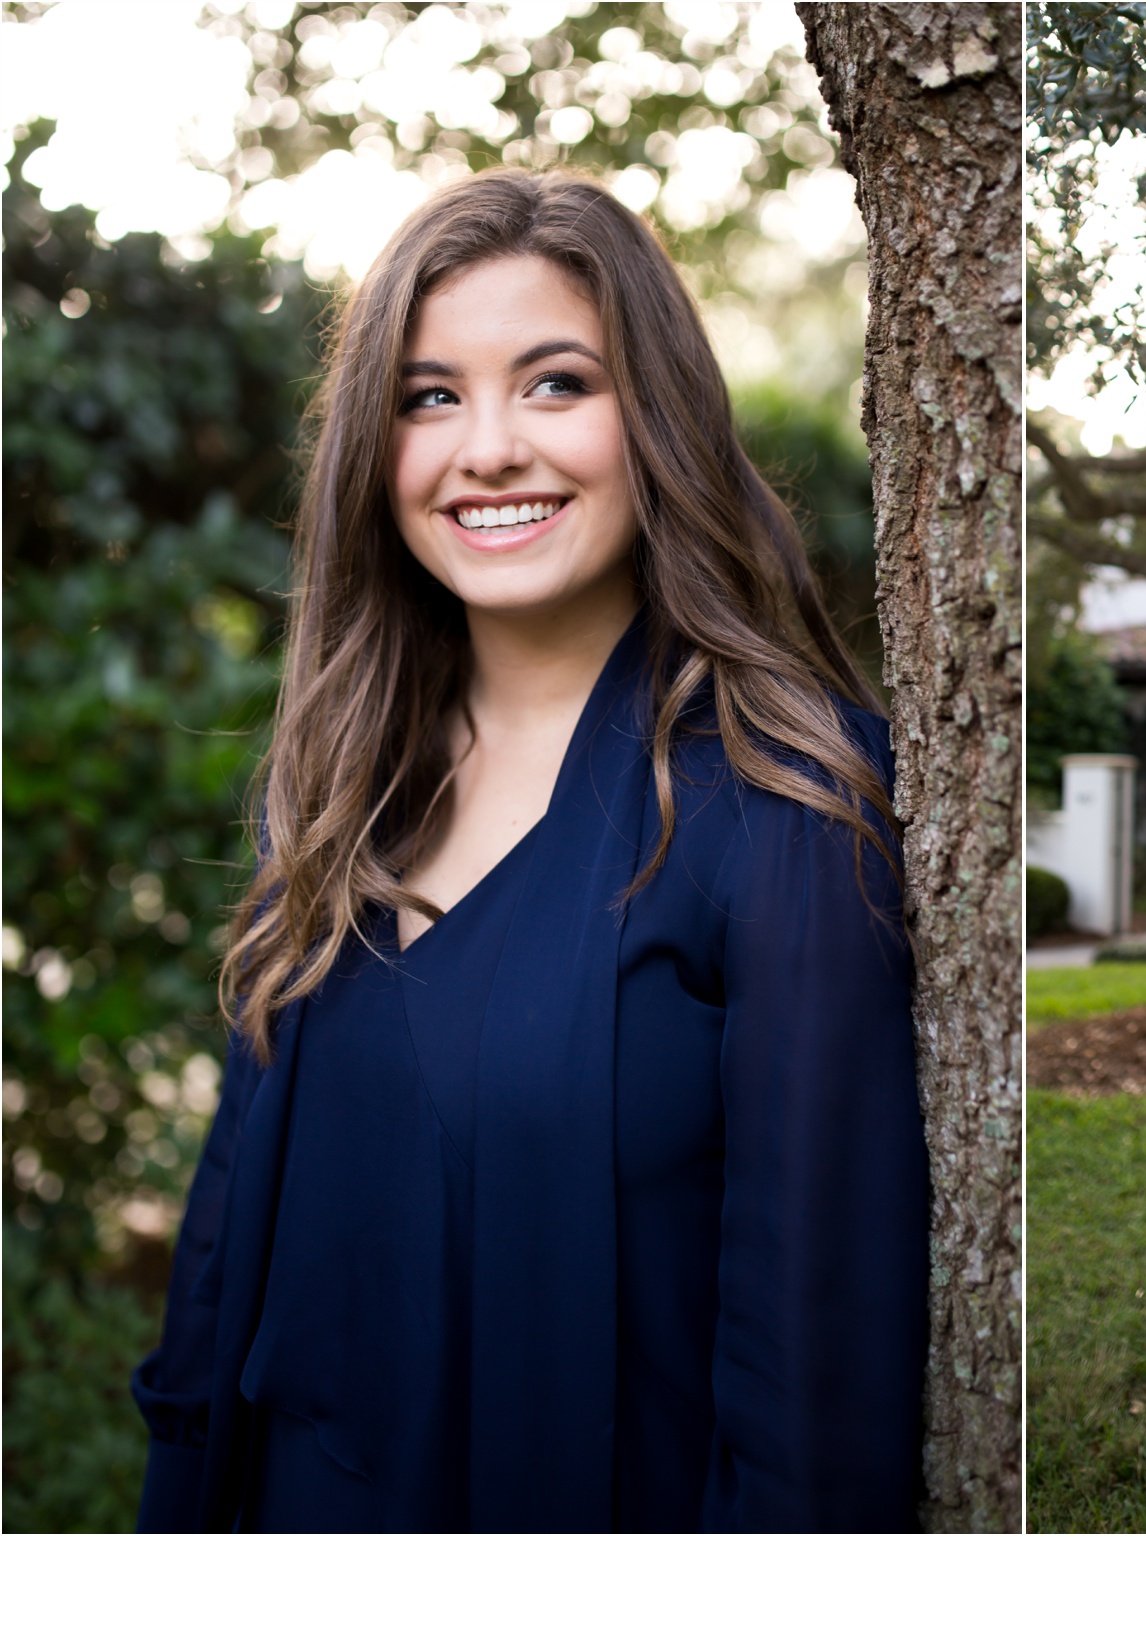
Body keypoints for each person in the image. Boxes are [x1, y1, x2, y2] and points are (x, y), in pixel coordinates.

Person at [130, 169, 929, 1533]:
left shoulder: (786, 811)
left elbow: (814, 1405)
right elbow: (215, 1278)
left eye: (557, 383)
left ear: (658, 419)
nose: (487, 448)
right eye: (428, 397)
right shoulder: (329, 788)